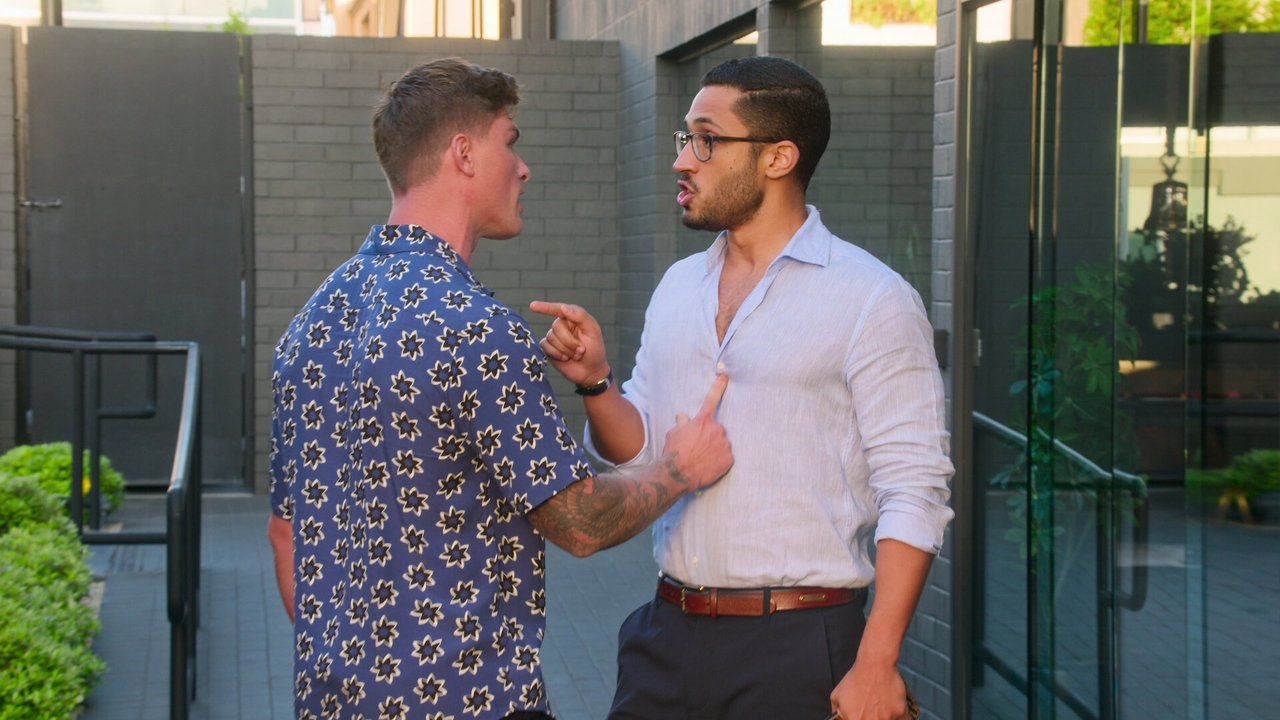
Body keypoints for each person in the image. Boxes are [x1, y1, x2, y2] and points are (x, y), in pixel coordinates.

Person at [266, 57, 733, 720]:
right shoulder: (476, 329)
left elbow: (286, 535)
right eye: (509, 142)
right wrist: (679, 468)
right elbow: (579, 523)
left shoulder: (311, 323)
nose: (523, 168)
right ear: (463, 154)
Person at [531, 55, 954, 720]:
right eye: (685, 138)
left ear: (779, 157)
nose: (683, 160)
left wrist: (876, 663)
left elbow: (916, 490)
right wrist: (596, 384)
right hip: (665, 636)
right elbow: (641, 451)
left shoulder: (873, 299)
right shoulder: (679, 286)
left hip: (798, 647)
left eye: (706, 139)